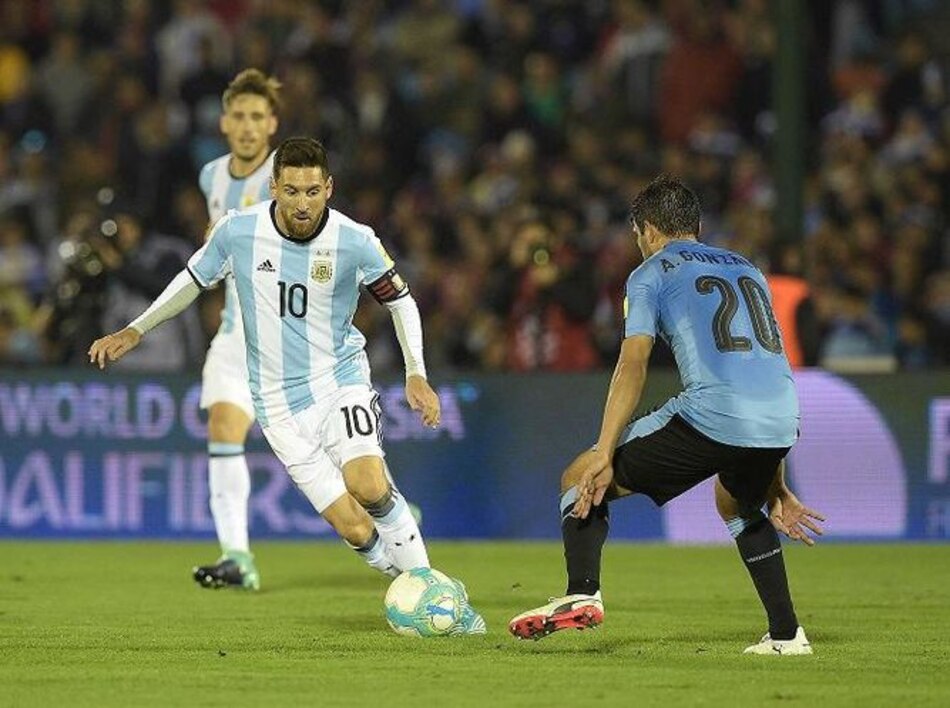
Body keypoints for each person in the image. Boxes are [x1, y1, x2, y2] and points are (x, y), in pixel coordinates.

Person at [89, 136, 485, 634]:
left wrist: (416, 373)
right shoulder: (239, 231)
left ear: (329, 188)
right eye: (292, 191)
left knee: (367, 484)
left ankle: (441, 602)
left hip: (339, 381)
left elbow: (400, 301)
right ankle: (423, 593)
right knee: (354, 528)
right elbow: (191, 279)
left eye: (313, 191)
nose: (302, 203)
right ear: (274, 187)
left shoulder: (355, 240)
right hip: (277, 406)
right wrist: (135, 330)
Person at [508, 176, 824, 654]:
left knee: (579, 477)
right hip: (783, 416)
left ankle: (582, 592)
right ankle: (787, 635)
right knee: (737, 502)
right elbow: (761, 368)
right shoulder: (748, 269)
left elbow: (632, 363)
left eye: (637, 234)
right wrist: (775, 484)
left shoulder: (651, 272)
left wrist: (604, 449)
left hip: (714, 412)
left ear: (648, 230)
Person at [191, 68, 280, 590]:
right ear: (224, 123)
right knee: (223, 428)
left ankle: (384, 507)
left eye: (257, 117)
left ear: (272, 125)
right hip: (235, 331)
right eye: (239, 116)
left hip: (289, 337)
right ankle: (236, 558)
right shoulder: (211, 176)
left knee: (339, 464)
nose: (247, 126)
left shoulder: (287, 177)